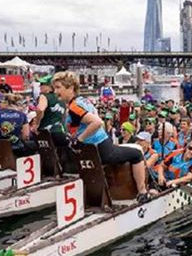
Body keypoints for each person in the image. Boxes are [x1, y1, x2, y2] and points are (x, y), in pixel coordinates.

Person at [52, 71, 151, 200]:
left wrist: (79, 140)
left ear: (70, 88)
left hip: (99, 150)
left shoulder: (74, 106)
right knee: (136, 153)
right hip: (97, 147)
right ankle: (141, 191)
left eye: (58, 87)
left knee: (137, 154)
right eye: (54, 88)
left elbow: (97, 122)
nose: (55, 91)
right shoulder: (81, 101)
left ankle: (142, 193)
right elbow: (98, 122)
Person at [32, 75, 67, 146]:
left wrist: (37, 124)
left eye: (42, 84)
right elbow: (65, 115)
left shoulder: (44, 96)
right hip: (61, 133)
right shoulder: (62, 97)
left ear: (50, 86)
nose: (40, 86)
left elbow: (40, 109)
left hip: (46, 133)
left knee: (47, 154)